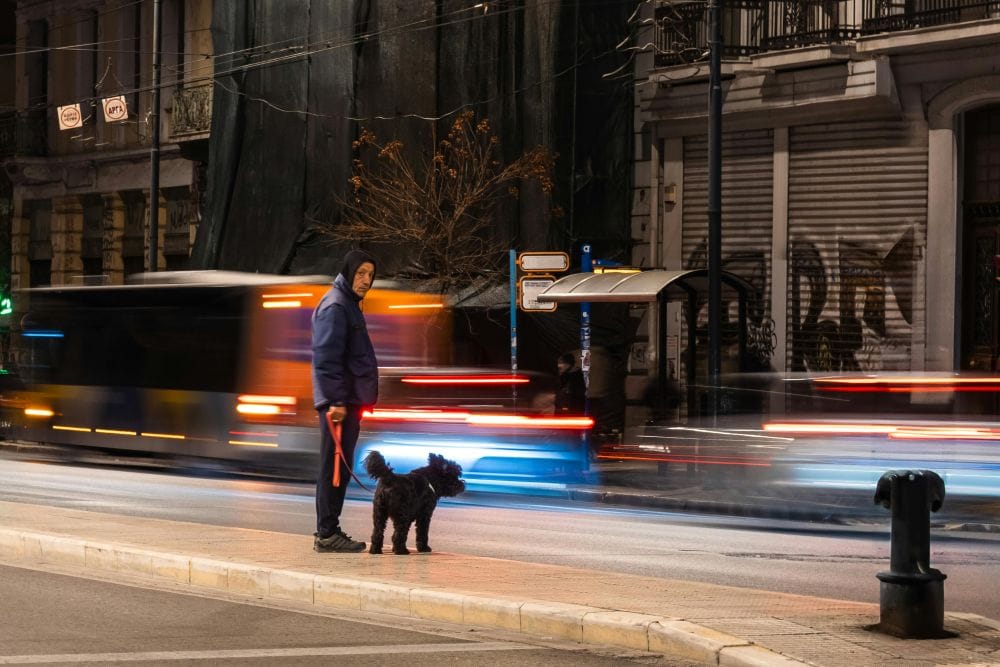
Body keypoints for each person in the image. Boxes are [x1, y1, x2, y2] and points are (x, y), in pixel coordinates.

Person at [311, 249, 379, 553]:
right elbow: (327, 359)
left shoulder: (347, 304)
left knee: (338, 466)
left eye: (370, 275)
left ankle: (329, 530)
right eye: (361, 273)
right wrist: (336, 401)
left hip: (348, 401)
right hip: (338, 404)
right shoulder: (337, 306)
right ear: (349, 271)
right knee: (333, 468)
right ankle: (326, 534)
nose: (366, 280)